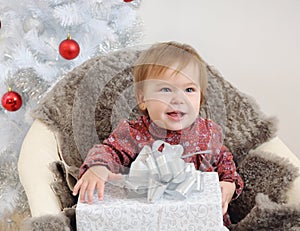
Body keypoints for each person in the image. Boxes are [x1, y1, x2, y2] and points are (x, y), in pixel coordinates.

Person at [73, 41, 244, 227]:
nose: (178, 99)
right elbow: (109, 150)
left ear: (200, 98)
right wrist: (98, 167)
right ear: (142, 99)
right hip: (149, 218)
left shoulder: (208, 132)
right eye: (165, 89)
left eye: (189, 90)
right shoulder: (134, 133)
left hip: (196, 219)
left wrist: (229, 183)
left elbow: (225, 160)